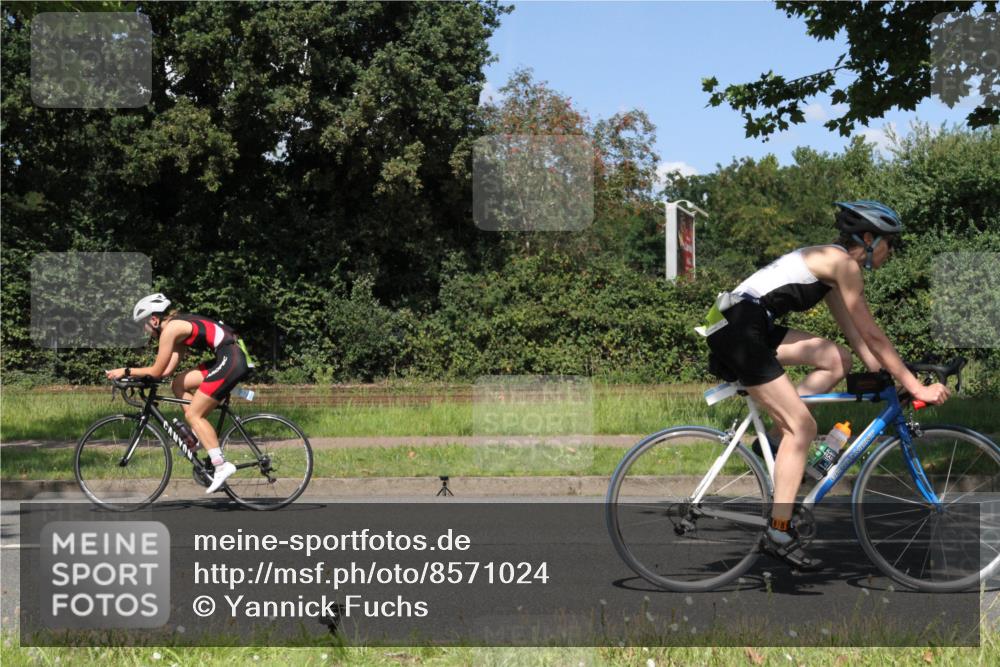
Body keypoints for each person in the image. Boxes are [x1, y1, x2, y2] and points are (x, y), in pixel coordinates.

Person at [701, 200, 950, 570]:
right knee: (803, 426)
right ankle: (779, 530)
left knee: (835, 360)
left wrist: (880, 373)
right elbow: (872, 332)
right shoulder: (843, 265)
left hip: (742, 322)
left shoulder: (831, 267)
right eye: (889, 243)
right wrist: (915, 385)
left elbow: (857, 338)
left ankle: (773, 439)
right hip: (739, 328)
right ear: (868, 238)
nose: (891, 252)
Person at [106, 293, 255, 494]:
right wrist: (136, 379)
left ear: (154, 319)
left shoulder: (172, 330)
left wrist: (125, 371)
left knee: (194, 414)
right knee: (178, 384)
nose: (144, 330)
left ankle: (221, 465)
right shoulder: (176, 329)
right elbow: (166, 372)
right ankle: (197, 435)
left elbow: (156, 371)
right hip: (228, 358)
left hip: (231, 359)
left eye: (144, 324)